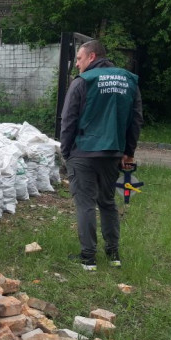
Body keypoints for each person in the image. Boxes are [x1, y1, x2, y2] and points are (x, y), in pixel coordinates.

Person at [60, 39, 143, 271]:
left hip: (83, 152)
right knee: (107, 202)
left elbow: (68, 120)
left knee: (85, 203)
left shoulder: (82, 82)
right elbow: (136, 119)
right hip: (113, 153)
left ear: (92, 57)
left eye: (79, 58)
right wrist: (128, 151)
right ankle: (113, 254)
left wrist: (66, 152)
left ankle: (88, 258)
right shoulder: (129, 81)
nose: (77, 64)